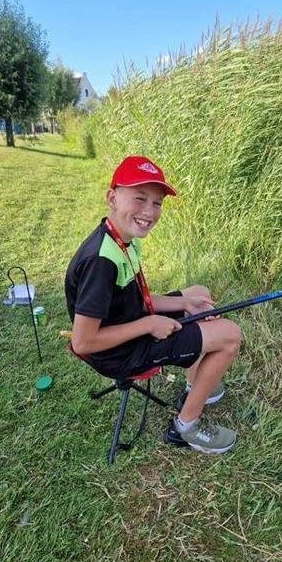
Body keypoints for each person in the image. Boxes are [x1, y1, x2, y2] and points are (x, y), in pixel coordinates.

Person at [65, 155, 242, 454]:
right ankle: (186, 426)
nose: (149, 211)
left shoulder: (122, 237)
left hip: (128, 326)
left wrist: (185, 302)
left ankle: (195, 386)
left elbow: (135, 297)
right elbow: (82, 342)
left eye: (157, 203)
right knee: (230, 335)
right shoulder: (101, 261)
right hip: (118, 353)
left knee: (198, 293)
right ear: (112, 198)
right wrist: (149, 324)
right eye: (139, 198)